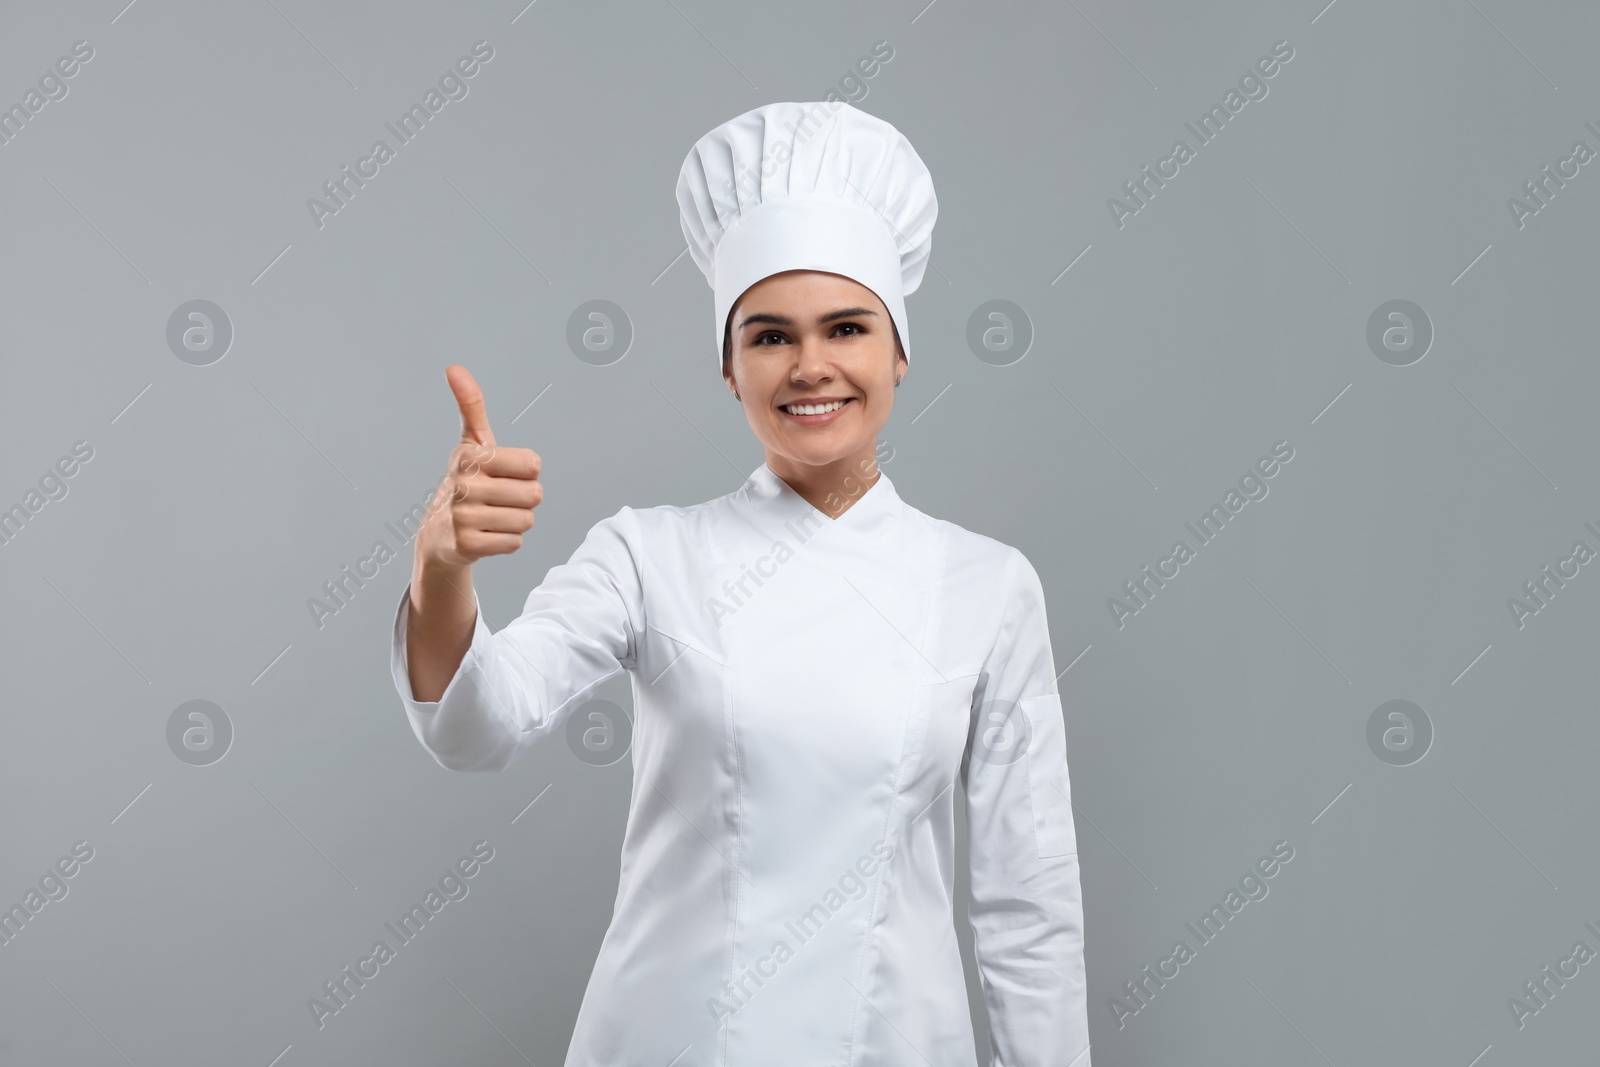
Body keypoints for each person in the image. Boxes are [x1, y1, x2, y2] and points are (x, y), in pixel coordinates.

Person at [392, 100, 1090, 1066]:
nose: (811, 366)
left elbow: (1029, 904)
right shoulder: (648, 556)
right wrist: (443, 569)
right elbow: (476, 728)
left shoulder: (986, 586)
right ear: (727, 366)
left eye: (846, 327)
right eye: (769, 336)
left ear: (898, 351)